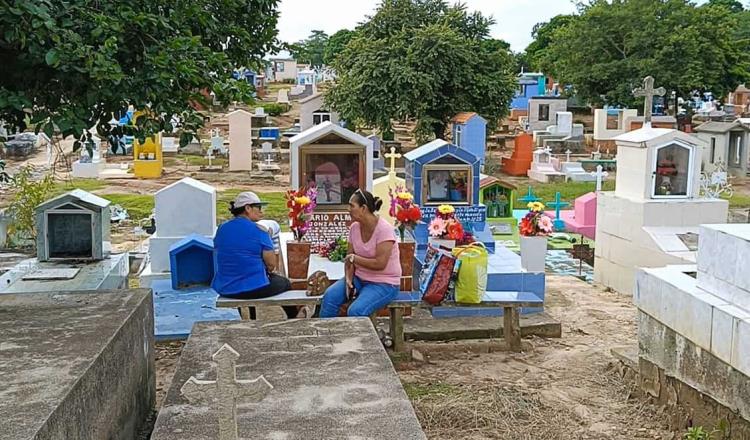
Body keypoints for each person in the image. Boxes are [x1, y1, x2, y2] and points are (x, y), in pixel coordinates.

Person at [212, 191, 297, 319]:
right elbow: (271, 264)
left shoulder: (222, 228)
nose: (261, 211)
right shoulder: (259, 230)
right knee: (284, 283)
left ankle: (250, 318)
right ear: (247, 208)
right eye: (258, 207)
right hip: (253, 288)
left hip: (225, 287)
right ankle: (294, 318)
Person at [319, 189, 401, 318]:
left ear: (363, 208)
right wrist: (348, 279)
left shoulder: (385, 230)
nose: (348, 209)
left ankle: (359, 338)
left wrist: (354, 258)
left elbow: (380, 264)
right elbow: (349, 259)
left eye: (352, 206)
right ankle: (327, 335)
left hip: (384, 283)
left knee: (355, 311)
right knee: (330, 297)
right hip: (359, 278)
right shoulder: (354, 228)